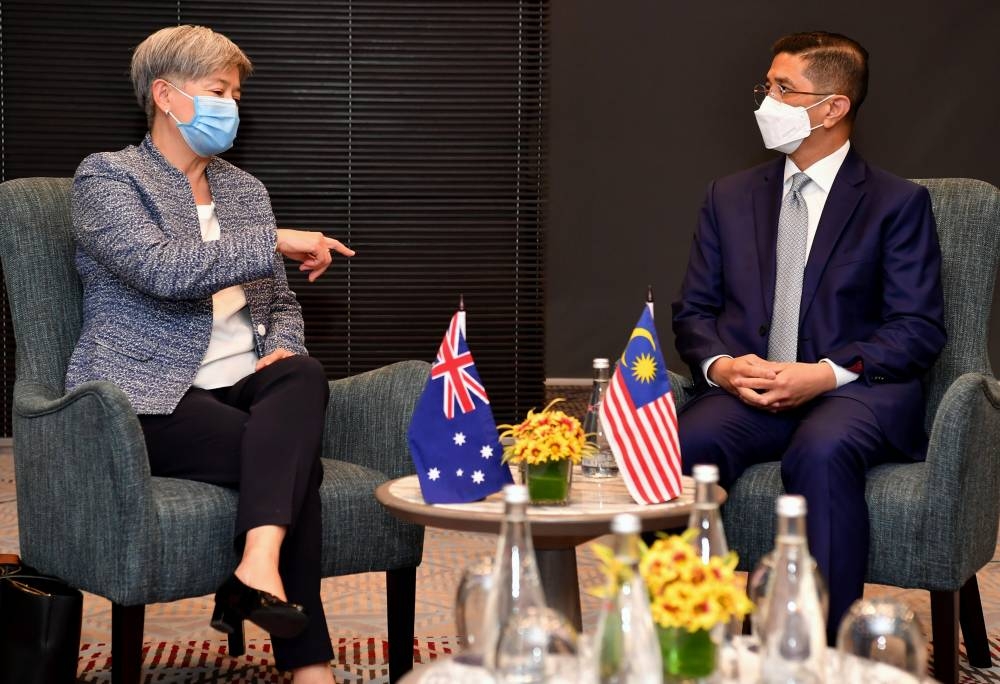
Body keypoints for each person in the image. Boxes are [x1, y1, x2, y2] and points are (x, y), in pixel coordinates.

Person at [65, 25, 353, 684]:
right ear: (166, 95)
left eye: (236, 93)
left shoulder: (245, 191)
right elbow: (161, 268)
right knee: (289, 466)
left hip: (242, 383)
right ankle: (311, 668)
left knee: (303, 372)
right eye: (219, 90)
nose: (232, 105)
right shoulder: (108, 177)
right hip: (144, 395)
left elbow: (278, 304)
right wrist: (276, 239)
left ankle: (255, 569)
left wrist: (280, 346)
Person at [671, 31, 946, 642]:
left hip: (853, 393)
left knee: (820, 451)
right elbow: (693, 309)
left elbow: (918, 328)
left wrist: (823, 373)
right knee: (684, 446)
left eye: (782, 88)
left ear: (832, 107)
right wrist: (720, 367)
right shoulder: (729, 196)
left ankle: (819, 650)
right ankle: (684, 640)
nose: (765, 101)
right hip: (752, 390)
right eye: (766, 86)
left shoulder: (897, 204)